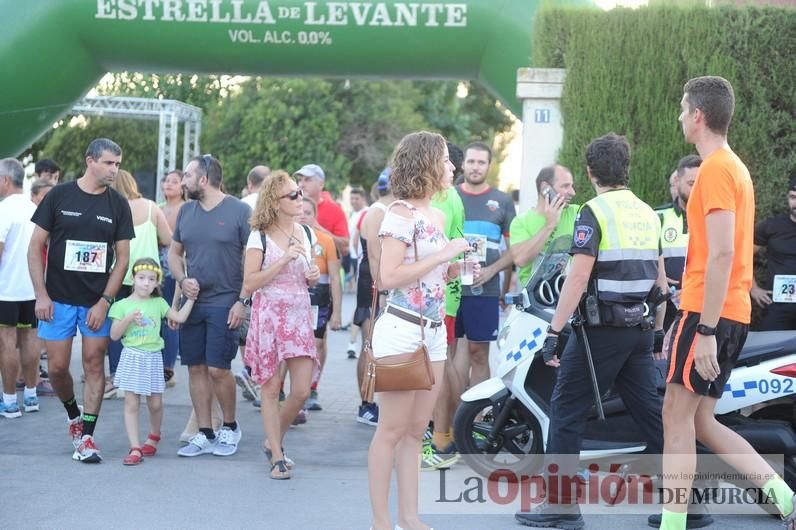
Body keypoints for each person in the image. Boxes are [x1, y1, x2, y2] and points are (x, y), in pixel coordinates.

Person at [658, 76, 796, 530]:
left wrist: (705, 331)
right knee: (700, 422)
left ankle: (673, 524)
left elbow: (721, 253)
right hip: (727, 311)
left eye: (683, 109)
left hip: (707, 313)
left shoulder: (717, 169)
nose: (680, 117)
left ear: (698, 116)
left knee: (676, 419)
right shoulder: (734, 167)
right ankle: (785, 498)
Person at [516, 133, 668, 529]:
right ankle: (688, 503)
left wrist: (554, 329)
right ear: (627, 168)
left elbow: (579, 276)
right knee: (653, 414)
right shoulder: (649, 213)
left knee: (566, 410)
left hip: (598, 334)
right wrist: (656, 331)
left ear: (590, 172)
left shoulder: (594, 212)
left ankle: (562, 506)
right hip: (638, 328)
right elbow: (661, 283)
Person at [367, 131, 471, 530]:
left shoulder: (437, 216)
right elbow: (388, 276)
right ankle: (381, 521)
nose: (452, 167)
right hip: (401, 331)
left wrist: (456, 269)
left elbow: (429, 277)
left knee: (415, 432)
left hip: (432, 331)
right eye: (445, 160)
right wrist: (444, 255)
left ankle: (410, 518)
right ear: (426, 164)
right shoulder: (399, 214)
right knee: (390, 430)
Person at [28, 138, 134, 462]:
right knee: (58, 368)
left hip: (94, 302)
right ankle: (73, 415)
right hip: (58, 299)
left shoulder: (117, 204)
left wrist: (105, 302)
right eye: (108, 163)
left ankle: (87, 436)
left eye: (117, 164)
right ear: (90, 161)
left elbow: (124, 259)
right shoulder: (59, 196)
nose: (114, 170)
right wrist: (41, 295)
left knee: (94, 363)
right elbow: (34, 248)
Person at [168, 154, 251, 457]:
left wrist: (242, 301)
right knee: (196, 368)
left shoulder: (240, 211)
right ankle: (204, 432)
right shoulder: (186, 212)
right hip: (193, 302)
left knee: (218, 369)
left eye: (188, 175)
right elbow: (175, 254)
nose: (183, 180)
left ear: (203, 179)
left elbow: (253, 259)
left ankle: (229, 427)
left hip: (225, 301)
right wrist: (181, 278)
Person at [243, 170, 321, 479]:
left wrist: (311, 276)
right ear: (275, 203)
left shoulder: (307, 233)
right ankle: (276, 455)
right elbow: (250, 283)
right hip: (270, 316)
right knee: (272, 388)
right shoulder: (258, 235)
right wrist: (283, 259)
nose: (300, 198)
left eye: (300, 193)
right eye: (293, 195)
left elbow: (306, 275)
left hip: (299, 315)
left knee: (301, 392)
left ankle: (272, 439)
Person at [109, 258, 195, 465]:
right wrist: (128, 319)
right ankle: (135, 447)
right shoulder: (121, 305)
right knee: (131, 402)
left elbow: (179, 318)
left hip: (153, 358)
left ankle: (154, 435)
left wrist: (191, 298)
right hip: (132, 356)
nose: (146, 283)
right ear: (132, 279)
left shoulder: (158, 303)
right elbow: (114, 335)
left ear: (157, 283)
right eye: (141, 278)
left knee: (155, 403)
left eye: (151, 279)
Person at [455, 141, 516, 388]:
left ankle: (476, 420)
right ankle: (449, 418)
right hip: (452, 288)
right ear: (463, 164)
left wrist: (492, 271)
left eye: (481, 162)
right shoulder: (450, 196)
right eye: (471, 161)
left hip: (485, 289)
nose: (475, 167)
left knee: (478, 353)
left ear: (489, 166)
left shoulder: (502, 201)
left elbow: (514, 251)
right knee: (452, 353)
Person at [107, 170, 172, 398]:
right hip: (148, 275)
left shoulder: (112, 208)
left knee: (119, 324)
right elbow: (168, 239)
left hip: (119, 274)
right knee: (151, 323)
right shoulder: (152, 207)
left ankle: (118, 377)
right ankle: (149, 374)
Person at [424, 141, 467, 470]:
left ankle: (442, 440)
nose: (455, 168)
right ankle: (447, 434)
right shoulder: (447, 195)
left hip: (438, 292)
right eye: (448, 162)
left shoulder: (441, 196)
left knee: (439, 365)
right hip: (446, 290)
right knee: (446, 361)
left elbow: (433, 248)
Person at [0, 158, 40, 417]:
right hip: (33, 288)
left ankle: (10, 400)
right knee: (30, 340)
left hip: (6, 288)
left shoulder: (4, 210)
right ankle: (32, 396)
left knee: (7, 342)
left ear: (5, 180)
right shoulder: (33, 208)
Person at [354, 170, 394, 426]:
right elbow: (376, 257)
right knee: (370, 347)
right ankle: (366, 405)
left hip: (383, 285)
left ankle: (377, 403)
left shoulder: (393, 210)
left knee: (381, 348)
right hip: (373, 287)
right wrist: (383, 291)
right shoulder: (377, 212)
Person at [299, 196, 342, 412]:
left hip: (320, 299)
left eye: (308, 212)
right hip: (294, 298)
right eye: (300, 211)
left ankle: (312, 388)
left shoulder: (325, 240)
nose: (303, 216)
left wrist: (338, 314)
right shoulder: (287, 238)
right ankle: (279, 389)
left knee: (316, 344)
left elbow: (335, 278)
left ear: (315, 216)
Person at [510, 164, 578, 289]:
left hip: (568, 296)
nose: (572, 192)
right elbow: (520, 259)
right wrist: (549, 225)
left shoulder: (577, 213)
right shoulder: (521, 222)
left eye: (571, 186)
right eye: (565, 186)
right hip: (534, 301)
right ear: (545, 188)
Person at [655, 155, 700, 331]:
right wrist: (657, 276)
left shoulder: (714, 218)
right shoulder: (657, 216)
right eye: (691, 184)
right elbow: (639, 258)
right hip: (663, 313)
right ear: (677, 180)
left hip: (700, 312)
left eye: (699, 183)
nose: (696, 189)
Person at [750, 175, 796, 330]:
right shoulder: (771, 227)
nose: (795, 203)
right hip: (778, 309)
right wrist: (753, 288)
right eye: (793, 197)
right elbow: (743, 256)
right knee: (772, 353)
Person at [158, 170, 185, 385]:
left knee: (171, 316)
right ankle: (158, 364)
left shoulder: (185, 208)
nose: (169, 184)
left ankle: (169, 368)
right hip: (156, 267)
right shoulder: (159, 208)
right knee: (157, 316)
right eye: (167, 181)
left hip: (175, 266)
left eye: (175, 182)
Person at [295, 164, 350, 256]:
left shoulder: (335, 210)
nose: (301, 184)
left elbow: (345, 249)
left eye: (307, 180)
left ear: (321, 184)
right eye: (300, 180)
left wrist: (319, 229)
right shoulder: (290, 206)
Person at [345, 187, 369, 356]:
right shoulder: (354, 215)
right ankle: (353, 343)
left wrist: (361, 259)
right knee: (362, 305)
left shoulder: (367, 213)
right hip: (360, 262)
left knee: (363, 305)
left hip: (364, 263)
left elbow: (355, 240)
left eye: (356, 198)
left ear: (363, 199)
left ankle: (355, 343)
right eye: (351, 198)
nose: (353, 201)